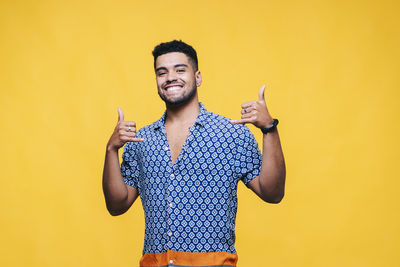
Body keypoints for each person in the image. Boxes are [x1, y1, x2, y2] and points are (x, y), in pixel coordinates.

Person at [102, 40, 286, 267]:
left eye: (180, 70)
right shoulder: (141, 140)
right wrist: (111, 149)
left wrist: (269, 129)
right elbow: (117, 205)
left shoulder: (232, 134)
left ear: (197, 77)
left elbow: (272, 193)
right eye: (162, 72)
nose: (170, 77)